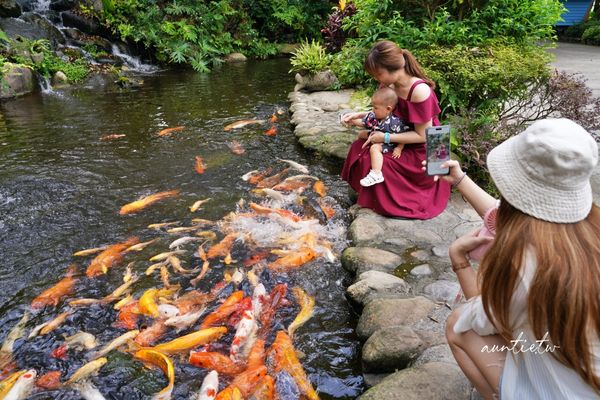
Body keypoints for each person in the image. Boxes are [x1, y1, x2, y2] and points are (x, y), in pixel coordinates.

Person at [434, 118, 600, 399]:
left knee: (456, 325)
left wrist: (459, 260)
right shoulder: (587, 230)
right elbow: (510, 216)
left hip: (560, 392)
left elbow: (481, 322)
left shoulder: (525, 266)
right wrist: (461, 180)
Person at [341, 40, 450, 219]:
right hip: (400, 136)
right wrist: (358, 115)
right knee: (359, 147)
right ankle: (368, 193)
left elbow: (424, 136)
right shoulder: (388, 85)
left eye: (378, 74)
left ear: (393, 68)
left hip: (424, 150)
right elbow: (386, 112)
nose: (377, 79)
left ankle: (385, 197)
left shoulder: (419, 91)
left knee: (379, 162)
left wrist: (385, 138)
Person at [343, 86, 411, 187]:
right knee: (360, 134)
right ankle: (364, 149)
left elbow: (402, 135)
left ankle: (376, 173)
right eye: (372, 106)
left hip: (389, 142)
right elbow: (363, 123)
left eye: (375, 107)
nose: (372, 110)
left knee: (375, 148)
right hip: (376, 134)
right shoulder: (374, 115)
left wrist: (399, 148)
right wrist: (351, 121)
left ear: (388, 109)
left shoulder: (395, 122)